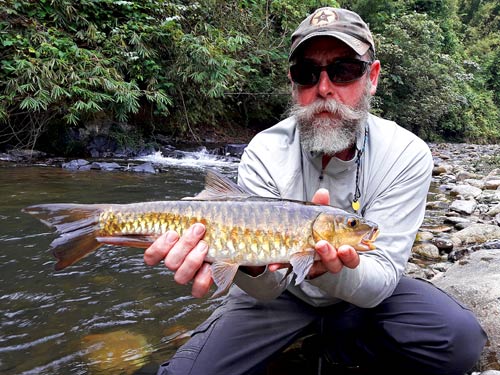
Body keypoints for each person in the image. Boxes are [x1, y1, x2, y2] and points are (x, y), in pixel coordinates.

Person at [144, 7, 487, 375]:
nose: (324, 88)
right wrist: (245, 263)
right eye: (307, 73)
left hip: (362, 297)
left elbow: (382, 278)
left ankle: (337, 345)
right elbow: (265, 288)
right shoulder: (264, 149)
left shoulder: (406, 154)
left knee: (459, 341)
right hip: (279, 299)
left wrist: (323, 269)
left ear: (371, 77)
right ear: (294, 83)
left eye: (343, 71)